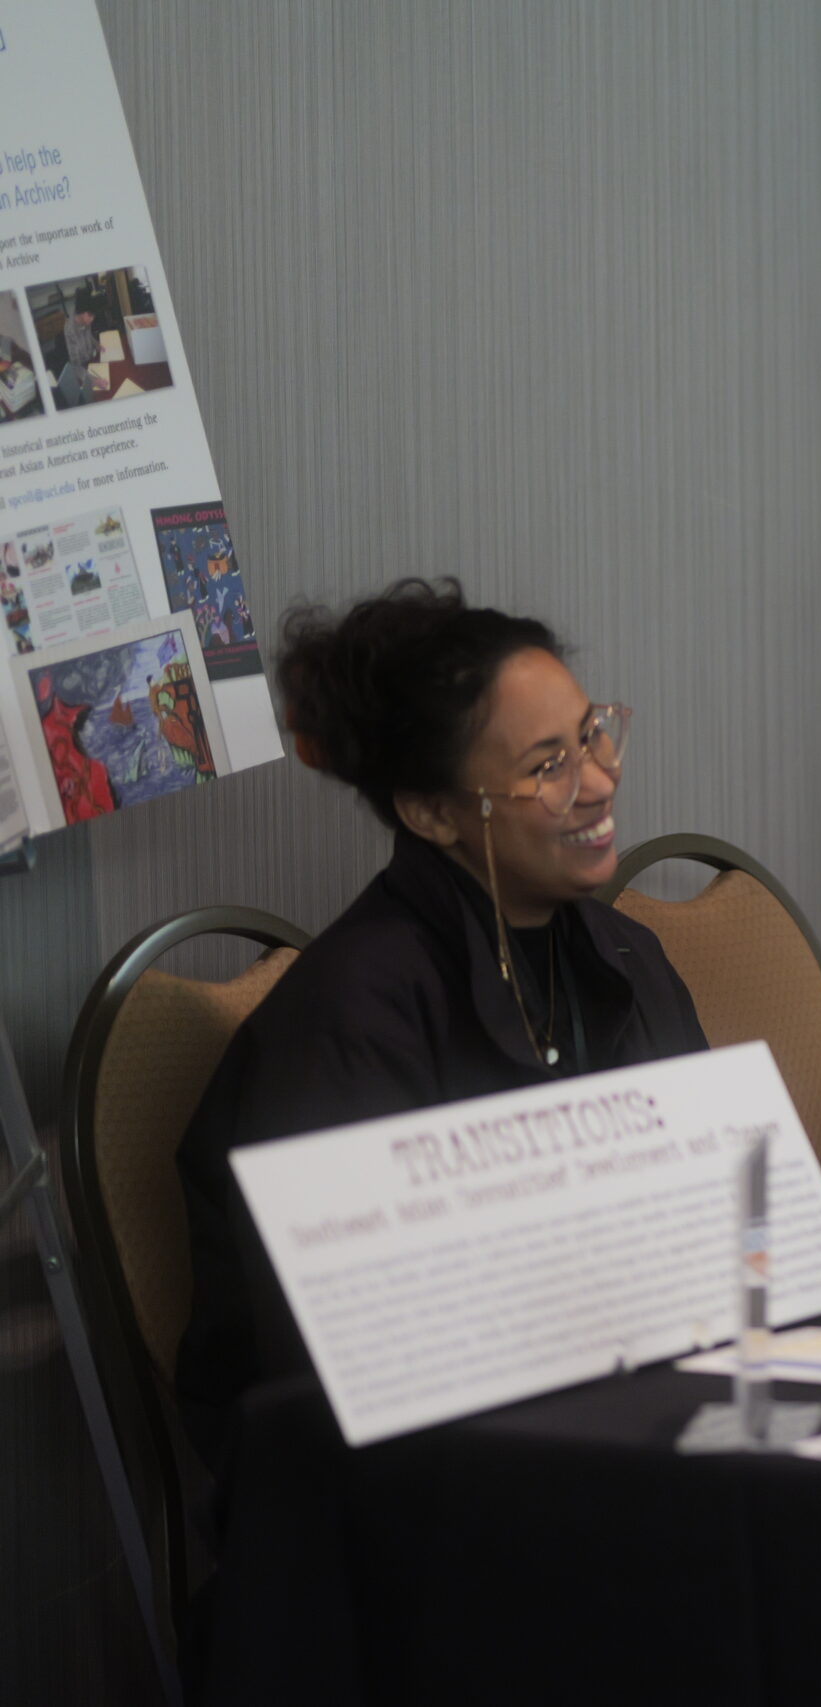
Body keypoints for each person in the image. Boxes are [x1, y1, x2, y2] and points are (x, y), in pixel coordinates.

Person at [173, 579, 706, 1459]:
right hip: (409, 1483)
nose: (601, 781)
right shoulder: (350, 1017)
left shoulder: (624, 957)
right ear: (429, 812)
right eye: (547, 766)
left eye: (591, 736)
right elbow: (357, 1355)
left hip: (621, 1417)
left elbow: (710, 1218)